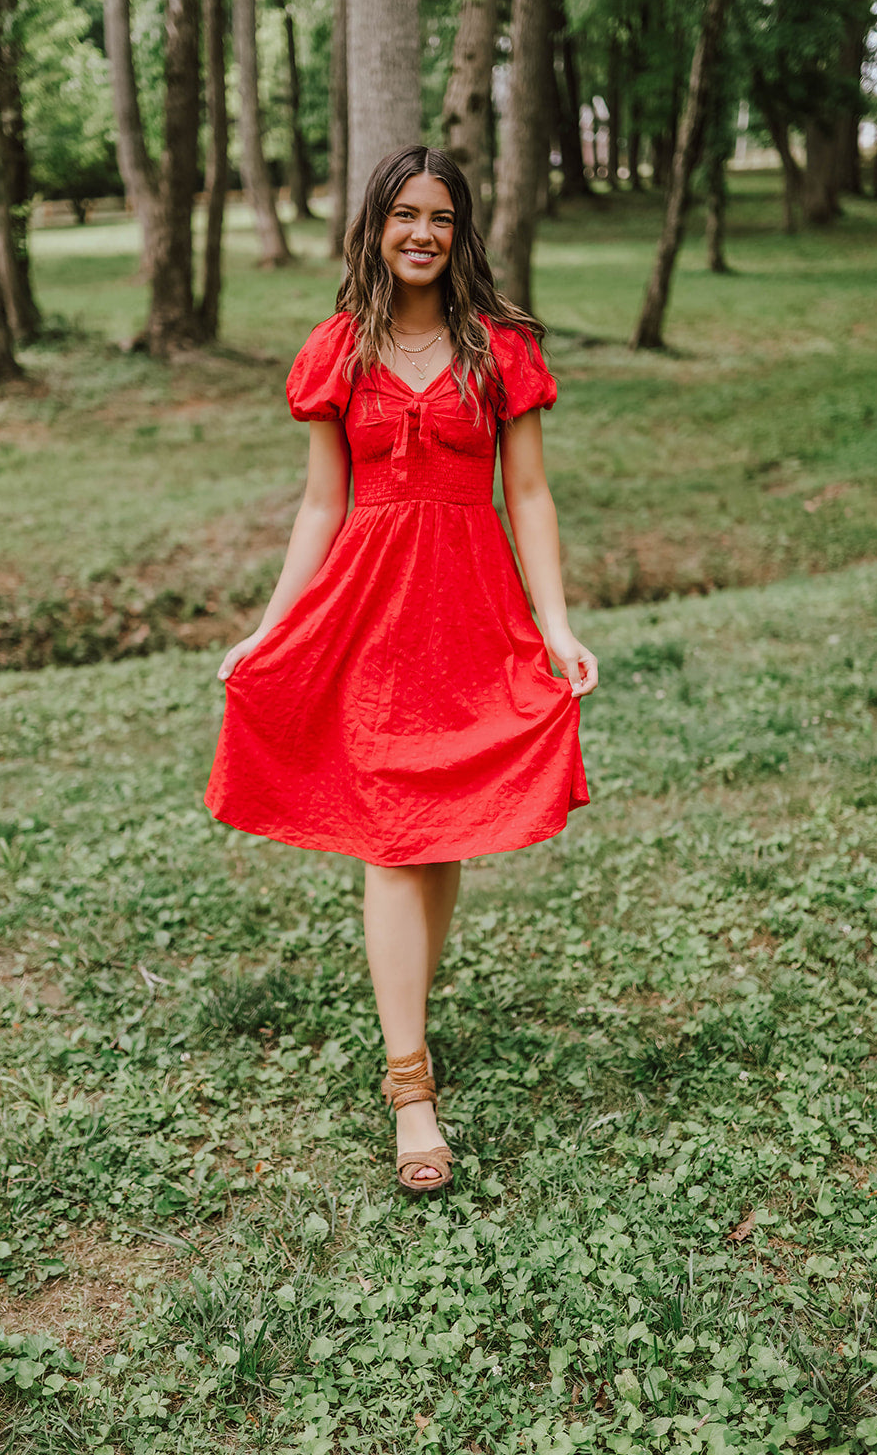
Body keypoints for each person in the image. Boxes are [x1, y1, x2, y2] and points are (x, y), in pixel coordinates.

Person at [206, 145, 598, 1194]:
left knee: (449, 827)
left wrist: (554, 625)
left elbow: (529, 496)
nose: (420, 232)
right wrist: (265, 625)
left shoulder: (498, 349)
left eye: (439, 216)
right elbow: (321, 505)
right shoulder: (339, 348)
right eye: (402, 215)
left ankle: (407, 999)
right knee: (390, 836)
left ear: (460, 232)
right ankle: (408, 1083)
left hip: (472, 614)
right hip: (369, 618)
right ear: (373, 226)